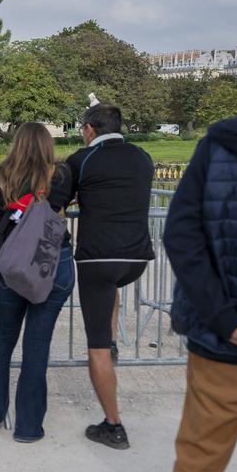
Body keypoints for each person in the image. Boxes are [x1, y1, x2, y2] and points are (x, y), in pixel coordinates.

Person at [162, 110, 237, 472]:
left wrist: (228, 321)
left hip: (223, 339)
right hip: (223, 335)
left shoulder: (219, 144)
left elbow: (182, 235)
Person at [0, 122, 75, 442]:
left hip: (14, 263)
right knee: (37, 344)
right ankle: (29, 426)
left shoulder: (4, 173)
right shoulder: (60, 175)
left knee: (2, 338)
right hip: (52, 263)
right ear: (47, 144)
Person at [65, 104, 154, 449]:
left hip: (99, 258)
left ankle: (113, 425)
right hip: (137, 257)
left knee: (95, 345)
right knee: (112, 291)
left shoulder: (82, 159)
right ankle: (114, 342)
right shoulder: (143, 157)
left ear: (89, 129)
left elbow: (60, 200)